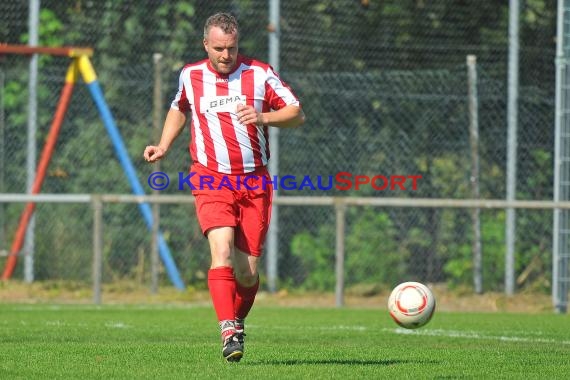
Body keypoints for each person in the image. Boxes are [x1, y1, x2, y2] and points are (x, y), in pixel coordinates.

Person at [143, 12, 305, 362]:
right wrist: (164, 144)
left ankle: (237, 322)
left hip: (254, 181)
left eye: (231, 48)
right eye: (218, 48)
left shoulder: (260, 75)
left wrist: (263, 116)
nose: (225, 55)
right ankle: (227, 330)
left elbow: (296, 113)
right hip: (210, 177)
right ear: (206, 45)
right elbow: (179, 108)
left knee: (247, 275)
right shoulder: (192, 75)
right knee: (221, 252)